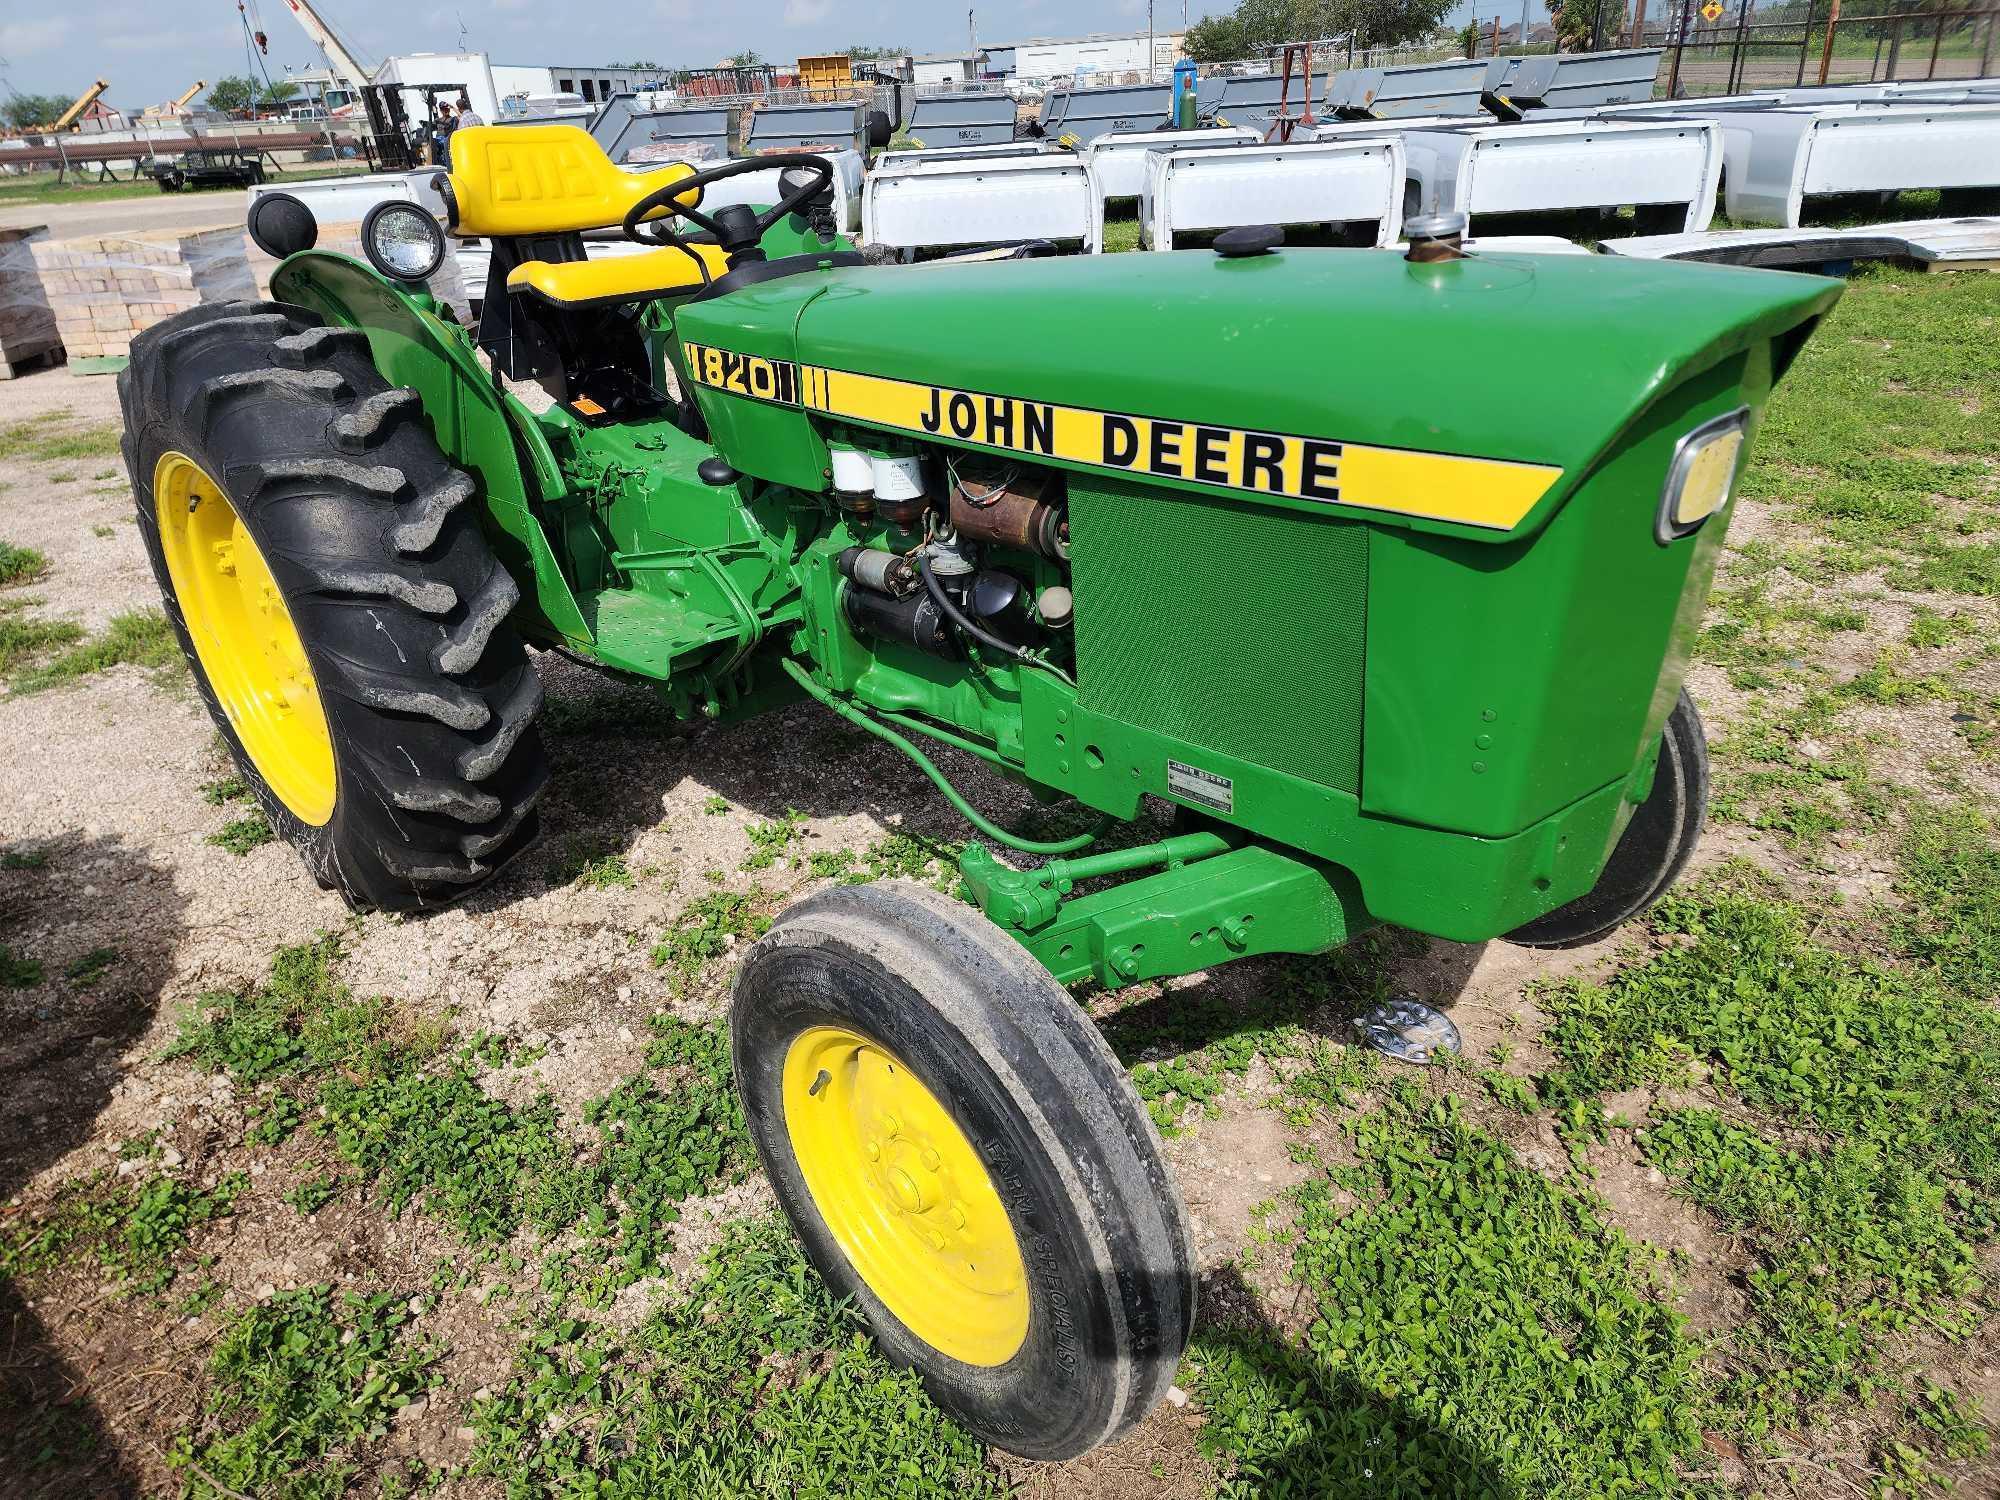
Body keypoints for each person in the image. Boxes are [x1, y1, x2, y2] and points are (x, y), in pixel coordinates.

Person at [431, 101, 455, 167]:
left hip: (447, 140)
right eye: (443, 109)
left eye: (446, 108)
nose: (445, 110)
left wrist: (453, 108)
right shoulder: (438, 120)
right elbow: (431, 127)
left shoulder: (453, 119)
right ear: (441, 110)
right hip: (438, 141)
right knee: (430, 143)